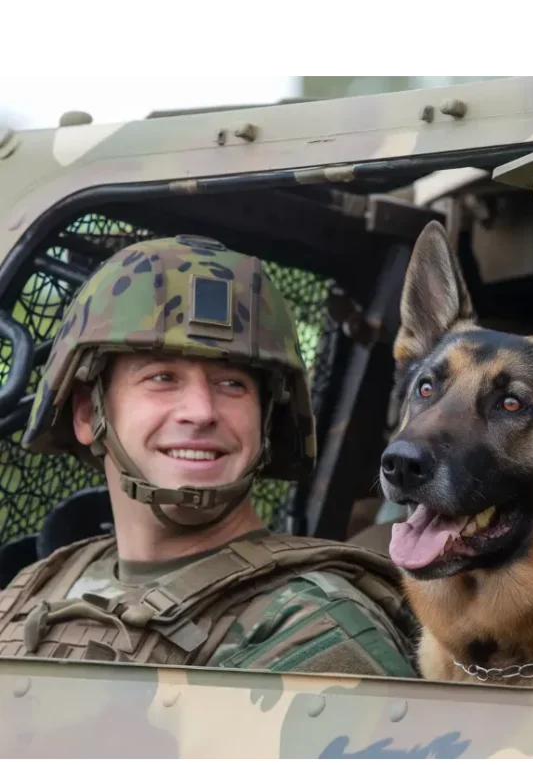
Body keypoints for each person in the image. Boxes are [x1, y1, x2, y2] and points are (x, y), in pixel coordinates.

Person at [0, 234, 417, 677]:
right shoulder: (38, 586)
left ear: (265, 420)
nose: (200, 412)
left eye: (232, 384)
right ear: (87, 414)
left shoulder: (313, 633)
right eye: (162, 377)